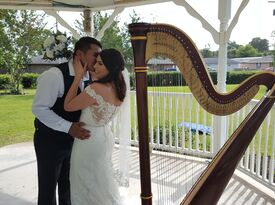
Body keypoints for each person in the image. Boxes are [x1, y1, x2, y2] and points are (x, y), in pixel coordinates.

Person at [32, 37, 102, 205]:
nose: (99, 59)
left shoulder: (91, 77)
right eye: (95, 55)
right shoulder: (54, 75)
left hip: (75, 142)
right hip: (50, 140)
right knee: (48, 190)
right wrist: (68, 127)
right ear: (80, 54)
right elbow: (39, 108)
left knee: (69, 186)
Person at [64, 48, 130, 205]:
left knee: (84, 182)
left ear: (111, 67)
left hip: (88, 140)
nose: (95, 67)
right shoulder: (120, 88)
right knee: (102, 181)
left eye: (100, 63)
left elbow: (68, 106)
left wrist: (78, 76)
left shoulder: (96, 89)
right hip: (104, 137)